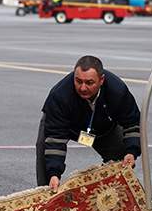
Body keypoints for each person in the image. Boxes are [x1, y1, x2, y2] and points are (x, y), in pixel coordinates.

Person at [37, 56, 141, 190]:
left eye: (89, 82)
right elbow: (55, 138)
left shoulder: (117, 90)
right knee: (44, 151)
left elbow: (132, 122)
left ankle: (111, 195)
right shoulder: (59, 95)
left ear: (101, 80)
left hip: (102, 128)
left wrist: (131, 152)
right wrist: (53, 173)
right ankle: (47, 190)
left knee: (122, 159)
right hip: (66, 127)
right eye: (78, 81)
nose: (83, 88)